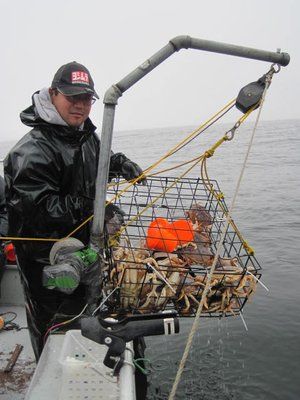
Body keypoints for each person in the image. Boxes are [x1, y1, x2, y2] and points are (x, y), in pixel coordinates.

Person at [4, 61, 145, 360]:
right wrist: (94, 207)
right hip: (45, 259)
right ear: (53, 94)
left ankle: (83, 357)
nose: (80, 106)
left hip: (82, 248)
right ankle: (50, 369)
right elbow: (40, 209)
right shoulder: (30, 151)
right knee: (56, 326)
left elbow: (96, 159)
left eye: (86, 99)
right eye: (72, 98)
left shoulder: (83, 134)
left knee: (84, 313)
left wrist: (118, 163)